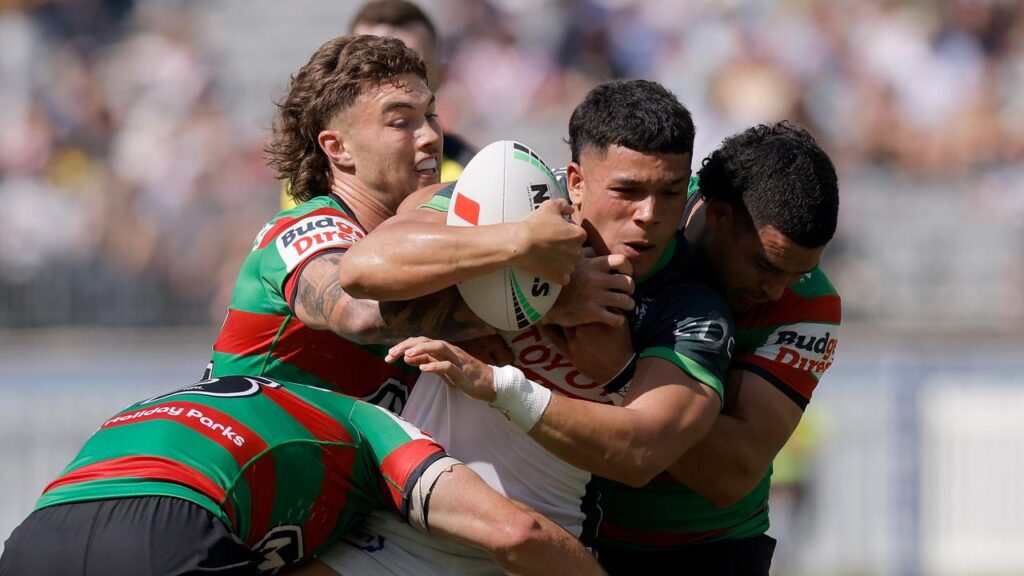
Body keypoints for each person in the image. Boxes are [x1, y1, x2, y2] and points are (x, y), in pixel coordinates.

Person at [317, 79, 735, 575]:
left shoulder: (690, 307)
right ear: (575, 182)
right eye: (627, 191)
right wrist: (526, 255)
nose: (649, 216)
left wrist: (500, 387)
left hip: (536, 551)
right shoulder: (513, 199)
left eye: (670, 193)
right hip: (398, 532)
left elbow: (638, 451)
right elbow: (365, 269)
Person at [207, 34, 585, 412]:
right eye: (401, 122)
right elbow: (360, 312)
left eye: (431, 116)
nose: (430, 137)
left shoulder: (444, 251)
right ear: (338, 148)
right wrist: (543, 302)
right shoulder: (301, 229)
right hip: (232, 458)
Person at [0, 375, 604, 576]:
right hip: (169, 524)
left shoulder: (219, 397)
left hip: (33, 535)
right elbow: (515, 534)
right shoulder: (371, 420)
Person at [590, 121, 842, 575]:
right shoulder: (639, 209)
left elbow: (732, 473)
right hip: (575, 530)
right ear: (720, 214)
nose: (775, 291)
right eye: (766, 264)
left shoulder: (810, 303)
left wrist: (616, 370)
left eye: (797, 272)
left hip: (712, 551)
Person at [279, 0, 475, 211]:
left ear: (441, 74)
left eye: (415, 63)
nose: (393, 72)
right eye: (367, 62)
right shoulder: (310, 191)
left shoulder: (474, 178)